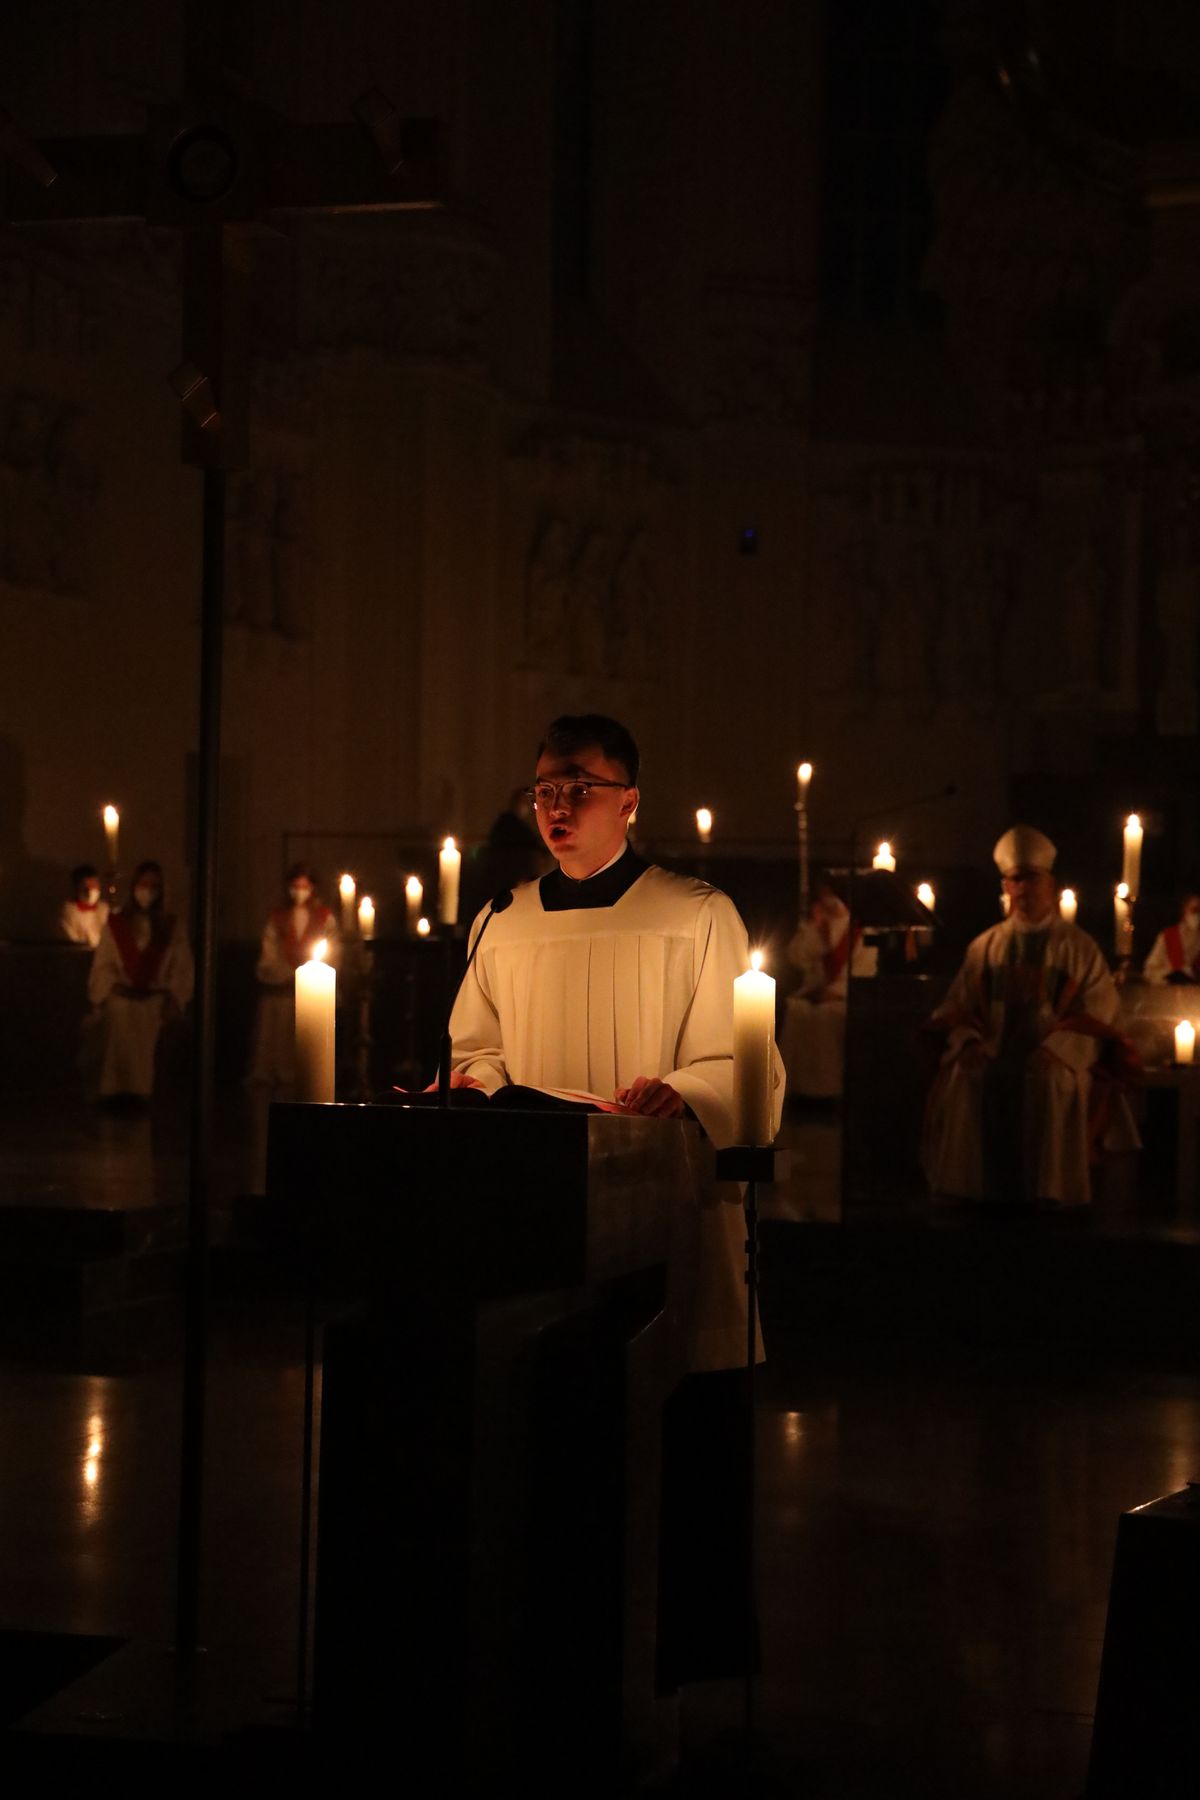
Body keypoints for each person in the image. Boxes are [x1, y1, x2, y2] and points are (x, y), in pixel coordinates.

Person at [448, 713, 785, 1686]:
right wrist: (478, 1085)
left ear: (630, 801)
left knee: (674, 1454)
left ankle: (682, 1672)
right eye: (544, 790)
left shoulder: (695, 913)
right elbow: (474, 1048)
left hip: (666, 1215)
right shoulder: (501, 923)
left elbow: (743, 1055)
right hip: (540, 1220)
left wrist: (688, 1088)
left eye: (578, 788)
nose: (556, 807)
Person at [922, 825, 1136, 1209]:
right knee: (965, 1075)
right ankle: (969, 1189)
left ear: (1050, 885)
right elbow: (957, 1008)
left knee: (1051, 1079)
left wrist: (1060, 1049)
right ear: (1005, 888)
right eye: (1013, 880)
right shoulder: (985, 947)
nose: (1022, 889)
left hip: (1057, 1057)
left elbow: (1101, 1014)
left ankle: (1048, 1192)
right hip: (992, 1052)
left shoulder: (1079, 948)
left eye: (1031, 879)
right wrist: (969, 1042)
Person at [87, 861, 193, 1101]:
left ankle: (144, 1090)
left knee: (151, 1014)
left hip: (156, 996)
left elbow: (182, 969)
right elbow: (103, 966)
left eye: (154, 885)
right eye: (143, 884)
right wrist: (112, 985)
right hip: (123, 993)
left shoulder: (172, 927)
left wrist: (174, 997)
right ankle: (116, 1088)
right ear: (134, 887)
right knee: (118, 1010)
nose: (148, 890)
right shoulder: (117, 924)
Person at [247, 862, 339, 1088]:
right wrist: (287, 974)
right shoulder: (278, 918)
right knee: (275, 1039)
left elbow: (333, 951)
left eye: (304, 886)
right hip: (279, 990)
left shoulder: (324, 917)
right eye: (295, 886)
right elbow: (268, 953)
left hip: (312, 994)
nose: (299, 891)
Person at [779, 874, 869, 1099]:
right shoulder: (818, 925)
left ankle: (830, 1090)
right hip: (815, 992)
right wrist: (814, 928)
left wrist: (835, 993)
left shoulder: (859, 927)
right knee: (797, 1010)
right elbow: (795, 956)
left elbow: (863, 968)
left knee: (828, 1016)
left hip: (842, 997)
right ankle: (796, 1088)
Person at [1143, 890, 1200, 984]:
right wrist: (1169, 974)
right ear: (1184, 911)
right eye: (1195, 910)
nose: (1198, 915)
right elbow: (1149, 971)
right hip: (1171, 993)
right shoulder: (1167, 936)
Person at [58, 863, 109, 948]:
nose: (90, 891)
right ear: (76, 887)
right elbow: (72, 942)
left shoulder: (104, 909)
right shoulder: (68, 911)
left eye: (94, 886)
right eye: (85, 887)